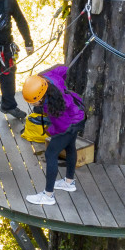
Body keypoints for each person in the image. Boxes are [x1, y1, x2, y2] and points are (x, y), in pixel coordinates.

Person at [23, 67, 86, 206]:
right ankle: (69, 182)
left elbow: (61, 128)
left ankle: (48, 195)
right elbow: (63, 68)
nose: (32, 105)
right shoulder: (47, 77)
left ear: (41, 98)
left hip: (70, 123)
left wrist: (49, 130)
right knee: (70, 147)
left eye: (34, 102)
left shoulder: (53, 107)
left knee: (51, 154)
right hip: (78, 113)